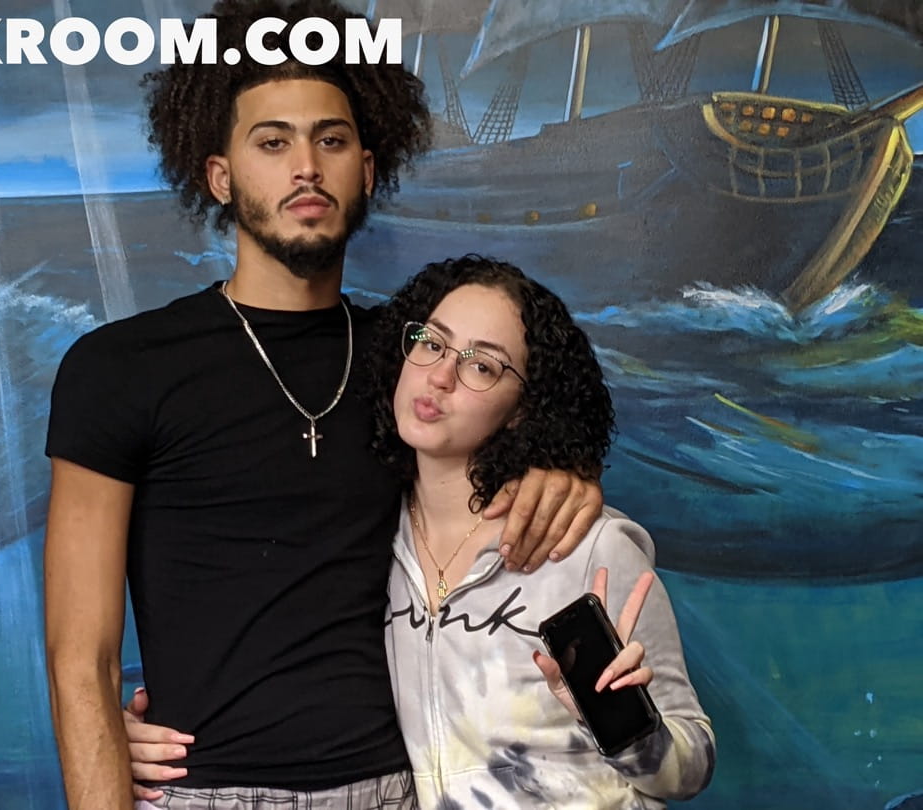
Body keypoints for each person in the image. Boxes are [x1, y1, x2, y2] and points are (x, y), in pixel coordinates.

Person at [42, 2, 605, 809]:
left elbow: (511, 447)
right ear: (220, 176)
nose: (306, 167)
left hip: (403, 789)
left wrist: (564, 473)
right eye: (272, 143)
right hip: (205, 794)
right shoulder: (119, 368)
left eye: (331, 141)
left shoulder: (415, 368)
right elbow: (81, 660)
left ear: (367, 171)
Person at [127, 256, 716, 807]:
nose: (440, 377)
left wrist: (617, 722)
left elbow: (691, 769)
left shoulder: (586, 547)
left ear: (523, 407)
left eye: (481, 365)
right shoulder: (370, 540)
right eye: (431, 343)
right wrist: (132, 726)